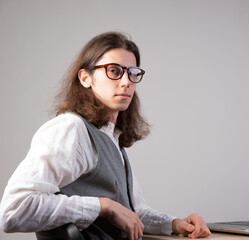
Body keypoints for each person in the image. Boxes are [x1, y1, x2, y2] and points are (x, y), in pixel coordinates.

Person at [0, 32, 211, 240]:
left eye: (133, 73)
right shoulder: (71, 129)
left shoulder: (112, 137)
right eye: (114, 71)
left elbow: (133, 212)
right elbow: (14, 209)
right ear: (85, 78)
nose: (126, 81)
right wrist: (103, 206)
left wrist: (174, 224)